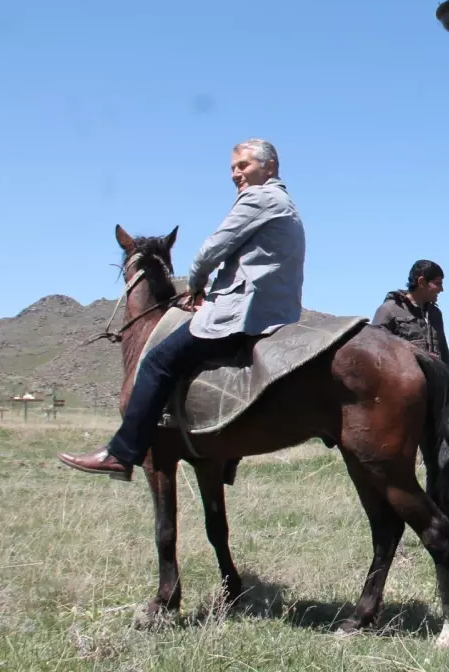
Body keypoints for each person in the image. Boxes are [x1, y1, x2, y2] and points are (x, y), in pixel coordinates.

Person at [58, 139, 305, 480]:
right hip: (278, 312)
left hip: (244, 313)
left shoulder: (259, 198)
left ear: (270, 167)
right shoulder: (286, 204)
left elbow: (210, 250)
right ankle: (224, 456)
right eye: (233, 167)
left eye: (244, 165)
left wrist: (197, 284)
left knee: (157, 361)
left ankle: (121, 452)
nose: (236, 174)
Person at [372, 260, 449, 371]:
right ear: (422, 282)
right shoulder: (389, 310)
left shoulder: (435, 314)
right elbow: (374, 353)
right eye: (437, 283)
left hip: (434, 386)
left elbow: (444, 354)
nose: (441, 289)